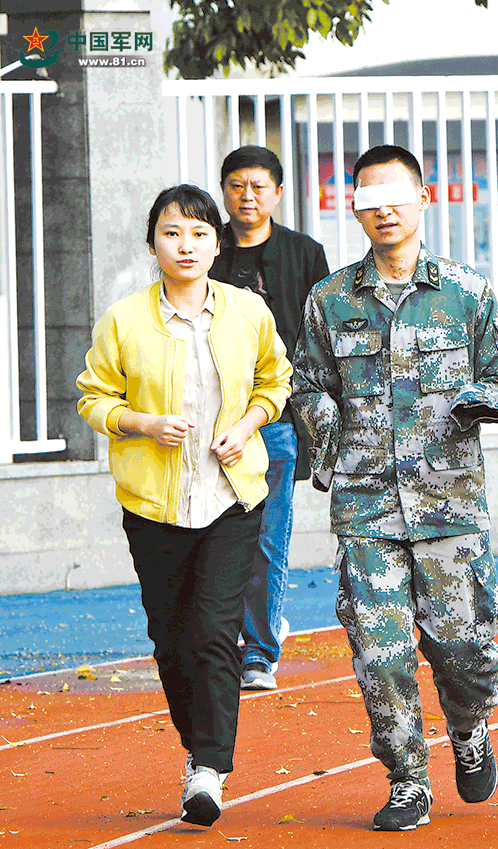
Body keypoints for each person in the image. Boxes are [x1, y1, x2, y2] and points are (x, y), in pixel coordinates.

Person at [293, 144, 498, 832]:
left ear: (423, 199)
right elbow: (307, 384)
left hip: (448, 503)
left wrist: (479, 401)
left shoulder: (466, 291)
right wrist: (330, 432)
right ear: (353, 208)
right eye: (368, 199)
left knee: (463, 650)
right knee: (380, 652)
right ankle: (406, 779)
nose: (383, 211)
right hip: (366, 505)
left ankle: (470, 726)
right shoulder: (331, 300)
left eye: (394, 196)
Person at [77, 184, 292, 826]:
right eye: (172, 233)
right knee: (171, 640)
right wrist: (143, 423)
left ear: (217, 243)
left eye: (200, 233)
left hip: (231, 497)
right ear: (153, 245)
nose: (186, 245)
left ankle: (210, 769)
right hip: (154, 504)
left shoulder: (248, 312)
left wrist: (248, 424)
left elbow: (275, 380)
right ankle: (197, 748)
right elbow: (93, 397)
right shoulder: (123, 321)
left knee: (213, 632)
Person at [209, 146, 330, 691]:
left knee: (266, 534)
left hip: (275, 417)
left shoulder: (304, 253)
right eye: (237, 186)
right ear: (224, 191)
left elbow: (322, 335)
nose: (247, 196)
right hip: (211, 419)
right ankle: (224, 638)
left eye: (259, 186)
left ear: (278, 193)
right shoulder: (205, 250)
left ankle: (259, 651)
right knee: (211, 536)